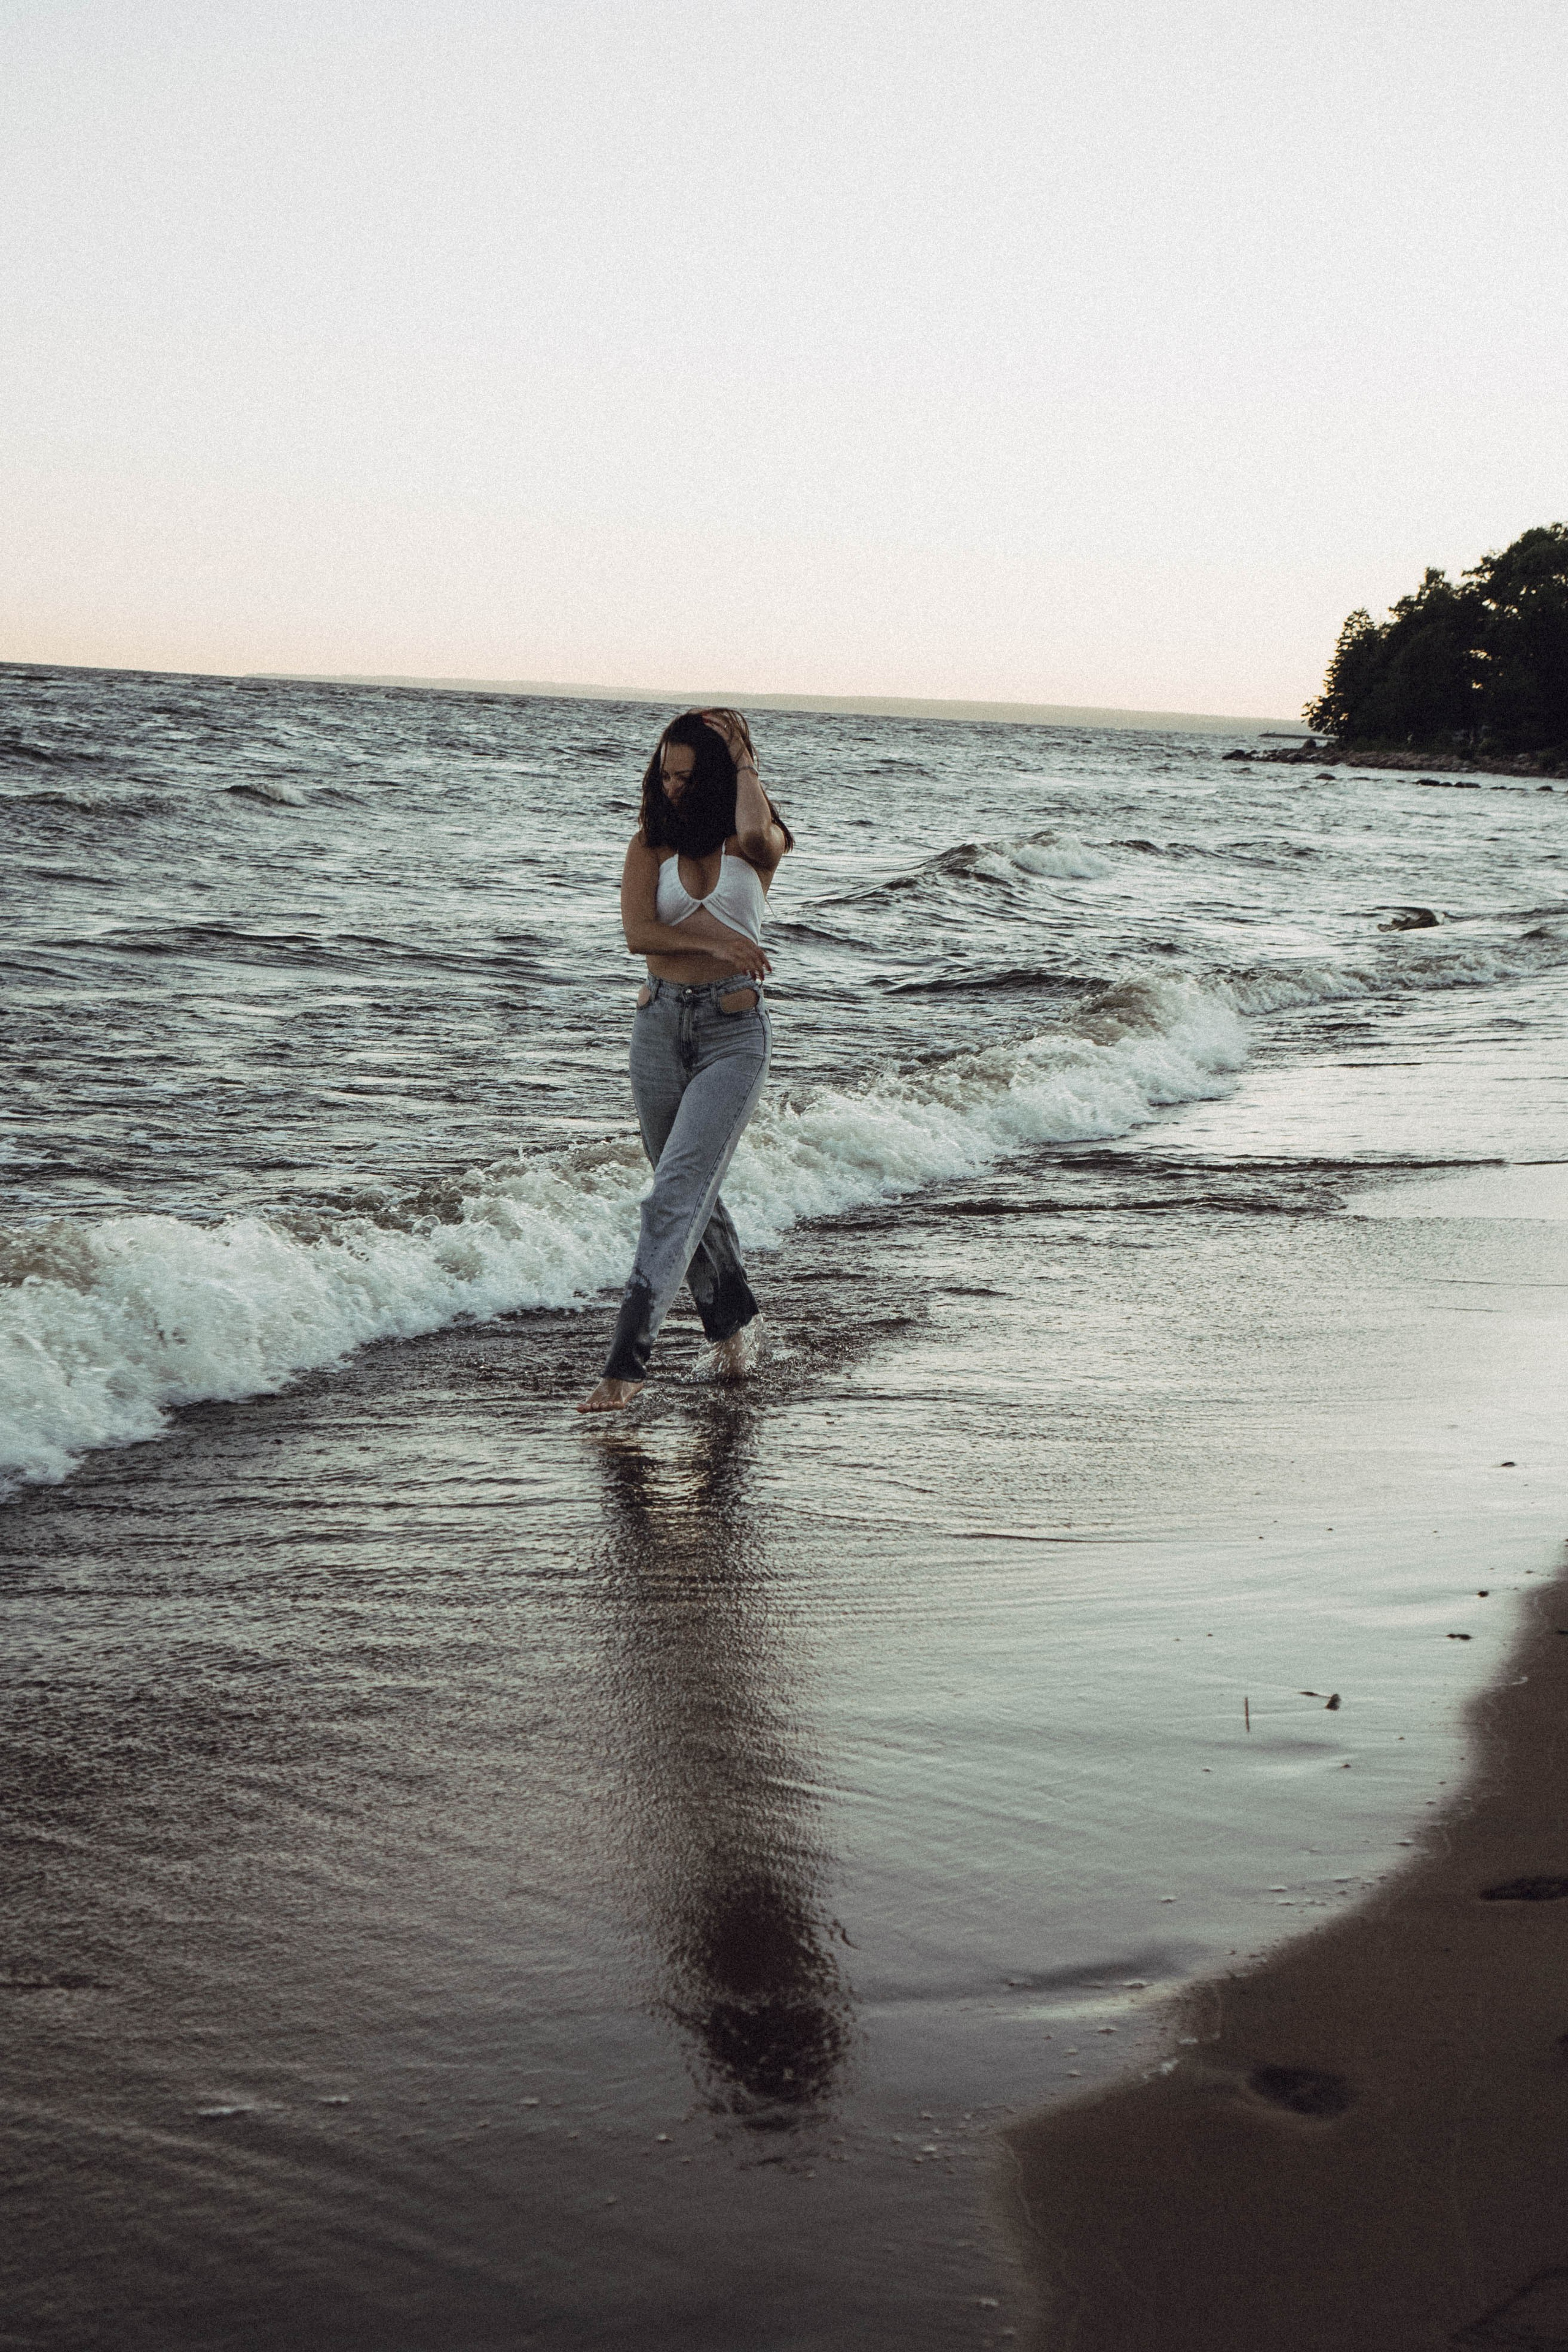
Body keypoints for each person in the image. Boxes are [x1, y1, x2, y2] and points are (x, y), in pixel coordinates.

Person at [578, 709, 794, 1413]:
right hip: (657, 1032)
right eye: (663, 773)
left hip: (735, 1036)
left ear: (718, 779)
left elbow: (759, 831)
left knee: (672, 1195)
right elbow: (639, 934)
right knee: (689, 1192)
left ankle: (623, 1369)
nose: (671, 787)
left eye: (686, 775)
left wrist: (743, 756)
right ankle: (737, 1334)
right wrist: (714, 940)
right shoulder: (649, 845)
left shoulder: (757, 844)